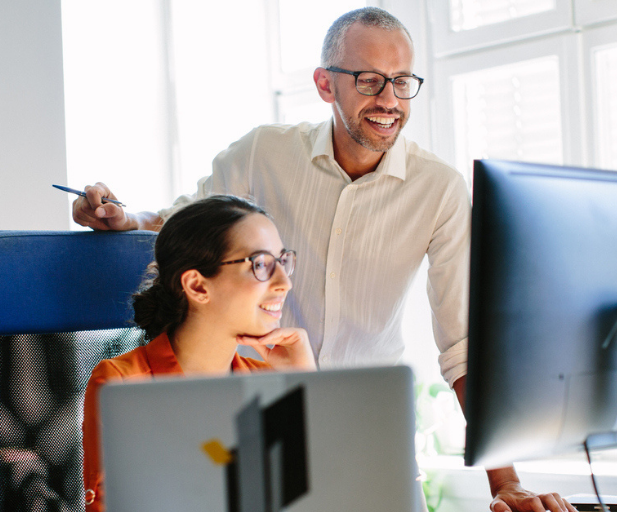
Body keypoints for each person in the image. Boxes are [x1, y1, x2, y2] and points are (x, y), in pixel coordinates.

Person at [73, 7, 575, 512]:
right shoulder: (263, 153)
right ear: (324, 84)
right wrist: (127, 219)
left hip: (366, 442)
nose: (389, 100)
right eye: (370, 80)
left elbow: (464, 345)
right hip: (259, 422)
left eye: (402, 82)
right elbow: (191, 223)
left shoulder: (438, 189)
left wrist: (504, 481)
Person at [81, 195, 316, 512]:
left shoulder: (267, 380)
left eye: (283, 261)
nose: (285, 283)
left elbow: (316, 496)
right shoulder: (123, 386)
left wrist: (305, 385)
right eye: (261, 264)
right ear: (197, 286)